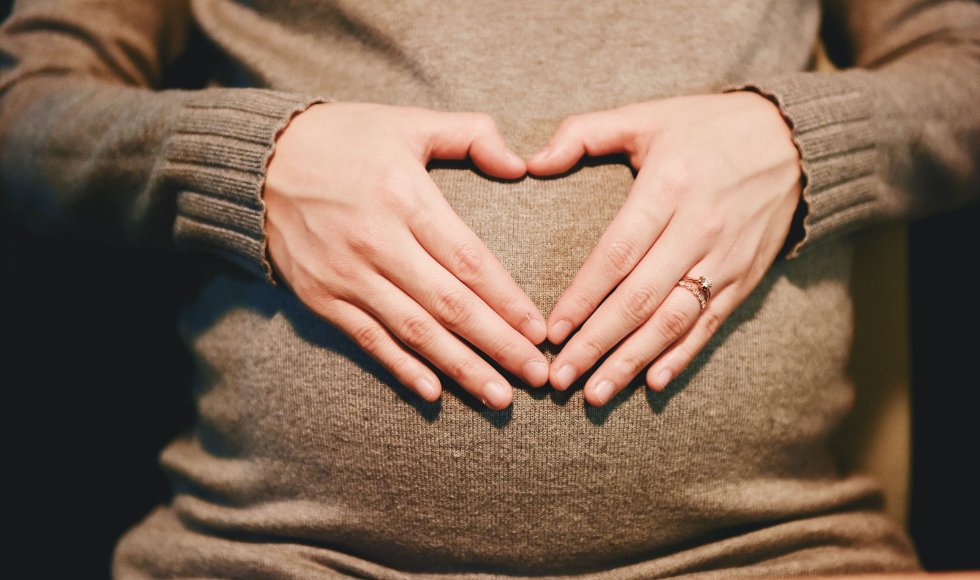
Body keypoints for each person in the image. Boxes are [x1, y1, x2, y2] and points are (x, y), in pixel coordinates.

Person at [0, 0, 977, 577]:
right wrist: (246, 162)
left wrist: (802, 140)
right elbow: (27, 106)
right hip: (276, 556)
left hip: (769, 553)